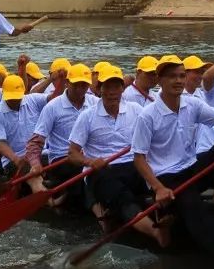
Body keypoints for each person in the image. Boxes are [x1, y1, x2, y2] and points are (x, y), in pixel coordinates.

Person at [131, 55, 214, 258]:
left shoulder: (192, 104)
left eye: (181, 76)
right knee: (191, 203)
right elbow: (139, 158)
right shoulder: (148, 115)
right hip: (166, 177)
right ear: (159, 80)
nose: (178, 81)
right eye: (171, 77)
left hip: (191, 168)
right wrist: (158, 188)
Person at [68, 66, 163, 242]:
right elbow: (72, 154)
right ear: (99, 89)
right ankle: (155, 232)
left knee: (157, 177)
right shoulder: (87, 116)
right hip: (102, 169)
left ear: (122, 89)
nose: (112, 93)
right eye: (107, 87)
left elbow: (155, 131)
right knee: (123, 196)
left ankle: (158, 211)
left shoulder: (136, 109)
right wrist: (90, 162)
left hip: (132, 164)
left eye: (116, 87)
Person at [25, 64, 99, 208]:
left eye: (83, 85)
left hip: (90, 155)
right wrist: (35, 164)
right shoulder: (52, 107)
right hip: (62, 158)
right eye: (76, 85)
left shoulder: (95, 103)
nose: (79, 89)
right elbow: (36, 142)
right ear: (67, 83)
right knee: (83, 172)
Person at [0, 75, 49, 175]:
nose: (14, 101)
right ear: (3, 93)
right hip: (14, 160)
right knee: (34, 178)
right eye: (11, 98)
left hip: (40, 153)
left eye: (17, 97)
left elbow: (54, 100)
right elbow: (0, 143)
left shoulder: (32, 99)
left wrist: (57, 80)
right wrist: (16, 159)